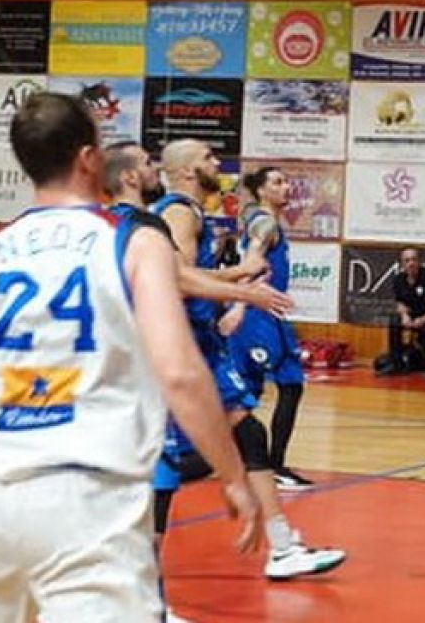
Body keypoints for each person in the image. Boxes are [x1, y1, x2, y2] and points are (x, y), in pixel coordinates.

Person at [0, 92, 264, 620]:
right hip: (91, 498)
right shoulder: (133, 244)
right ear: (88, 159)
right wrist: (233, 476)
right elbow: (179, 374)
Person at [100, 140, 292, 620]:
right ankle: (141, 600)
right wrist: (242, 284)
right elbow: (178, 279)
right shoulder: (164, 218)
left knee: (166, 473)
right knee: (163, 474)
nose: (154, 169)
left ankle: (147, 601)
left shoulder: (113, 223)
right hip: (164, 349)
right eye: (147, 163)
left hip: (137, 352)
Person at [153, 139, 344, 579]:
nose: (216, 163)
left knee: (242, 437)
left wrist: (231, 295)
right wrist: (242, 284)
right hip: (188, 344)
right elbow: (178, 279)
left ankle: (282, 546)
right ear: (186, 171)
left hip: (203, 339)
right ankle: (142, 575)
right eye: (207, 158)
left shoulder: (190, 212)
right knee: (173, 460)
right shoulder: (180, 212)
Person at [221, 167, 314, 492]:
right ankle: (271, 465)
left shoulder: (261, 220)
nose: (286, 186)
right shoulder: (266, 224)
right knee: (288, 385)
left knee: (250, 391)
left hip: (262, 314)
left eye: (286, 181)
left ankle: (238, 460)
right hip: (257, 315)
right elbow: (251, 261)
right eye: (277, 182)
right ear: (261, 191)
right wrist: (239, 305)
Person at [387, 247, 425, 377]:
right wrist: (404, 315)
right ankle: (396, 363)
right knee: (394, 321)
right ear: (402, 264)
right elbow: (400, 303)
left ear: (419, 261)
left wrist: (424, 319)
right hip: (413, 314)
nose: (411, 263)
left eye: (414, 259)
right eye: (407, 261)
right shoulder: (398, 279)